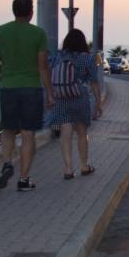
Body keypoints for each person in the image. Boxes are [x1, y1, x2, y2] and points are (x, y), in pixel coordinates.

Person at [0, 0, 54, 191]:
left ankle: (7, 163)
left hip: (8, 87)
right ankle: (24, 179)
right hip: (31, 89)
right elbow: (43, 66)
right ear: (31, 12)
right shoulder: (38, 34)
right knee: (27, 134)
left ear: (13, 11)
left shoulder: (0, 31)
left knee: (8, 130)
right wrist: (49, 93)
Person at [48, 29, 103, 179]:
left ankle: (68, 168)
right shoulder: (88, 58)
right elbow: (93, 81)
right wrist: (98, 102)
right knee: (81, 132)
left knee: (65, 133)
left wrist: (49, 96)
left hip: (61, 97)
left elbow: (48, 74)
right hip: (80, 96)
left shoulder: (57, 57)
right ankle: (84, 166)